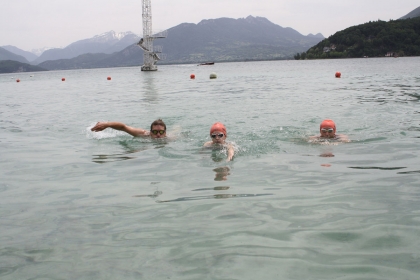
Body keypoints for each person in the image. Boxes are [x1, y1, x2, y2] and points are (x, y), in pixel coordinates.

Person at [91, 119, 167, 139]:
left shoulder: (170, 139)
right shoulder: (143, 134)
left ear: (165, 133)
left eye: (161, 132)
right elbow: (124, 127)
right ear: (150, 132)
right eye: (155, 132)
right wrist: (107, 124)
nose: (158, 134)